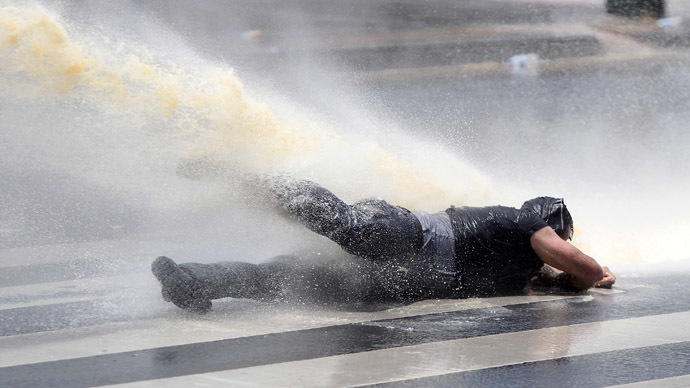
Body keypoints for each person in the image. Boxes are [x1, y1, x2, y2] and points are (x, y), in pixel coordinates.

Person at [152, 176, 616, 313]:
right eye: (560, 236)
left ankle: (193, 282)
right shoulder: (524, 221)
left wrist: (572, 282)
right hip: (406, 234)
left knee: (284, 280)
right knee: (342, 222)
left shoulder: (525, 272)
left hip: (399, 279)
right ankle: (250, 180)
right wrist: (596, 275)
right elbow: (581, 267)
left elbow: (564, 278)